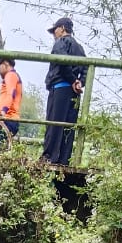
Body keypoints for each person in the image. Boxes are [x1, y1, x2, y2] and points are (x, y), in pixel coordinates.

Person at [41, 17, 87, 165]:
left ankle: (49, 157)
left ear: (62, 28)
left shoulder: (60, 43)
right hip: (74, 92)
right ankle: (63, 160)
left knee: (54, 124)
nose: (54, 34)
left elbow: (62, 62)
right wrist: (80, 82)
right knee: (69, 125)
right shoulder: (79, 48)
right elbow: (86, 68)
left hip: (60, 88)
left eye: (55, 30)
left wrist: (72, 80)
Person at [0, 57, 22, 149]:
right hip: (9, 119)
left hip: (7, 118)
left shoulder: (11, 75)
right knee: (0, 148)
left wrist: (3, 111)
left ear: (5, 64)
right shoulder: (13, 76)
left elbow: (11, 94)